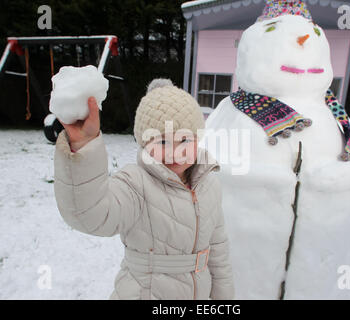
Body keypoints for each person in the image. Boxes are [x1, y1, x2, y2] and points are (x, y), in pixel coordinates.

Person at [53, 79, 235, 300]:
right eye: (162, 142)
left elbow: (218, 255)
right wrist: (84, 147)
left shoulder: (209, 185)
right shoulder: (136, 183)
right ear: (143, 143)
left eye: (185, 139)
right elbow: (90, 215)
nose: (175, 152)